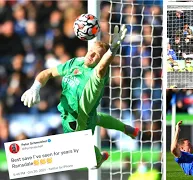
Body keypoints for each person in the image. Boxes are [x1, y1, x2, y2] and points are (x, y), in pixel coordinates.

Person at [21, 25, 139, 169]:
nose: (91, 55)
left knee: (85, 158)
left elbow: (102, 67)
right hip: (77, 112)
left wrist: (112, 50)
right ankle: (126, 128)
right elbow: (48, 72)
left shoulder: (97, 76)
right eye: (90, 51)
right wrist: (35, 88)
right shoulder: (76, 62)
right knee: (96, 118)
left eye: (96, 55)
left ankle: (98, 157)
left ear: (101, 60)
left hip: (77, 120)